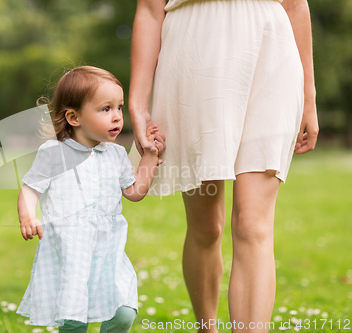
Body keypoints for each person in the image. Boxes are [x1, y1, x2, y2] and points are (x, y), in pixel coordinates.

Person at [128, 0, 318, 332]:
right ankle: (207, 327)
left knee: (252, 224)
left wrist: (309, 98)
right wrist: (137, 102)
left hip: (271, 53)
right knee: (206, 227)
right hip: (193, 58)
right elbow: (149, 9)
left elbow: (295, 5)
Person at [16, 66, 164, 333]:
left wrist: (150, 158)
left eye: (119, 107)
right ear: (74, 117)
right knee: (74, 320)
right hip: (70, 250)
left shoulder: (116, 154)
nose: (117, 116)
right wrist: (28, 215)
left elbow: (134, 192)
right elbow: (30, 188)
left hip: (109, 249)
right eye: (105, 109)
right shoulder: (53, 153)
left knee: (124, 313)